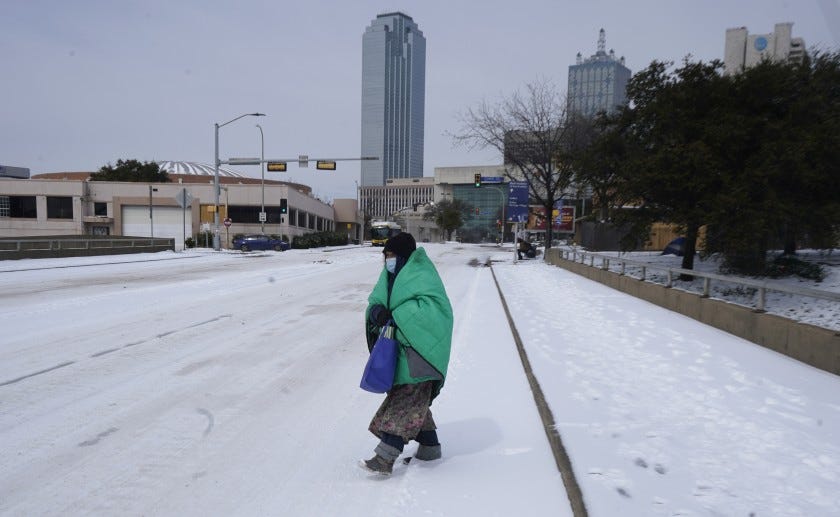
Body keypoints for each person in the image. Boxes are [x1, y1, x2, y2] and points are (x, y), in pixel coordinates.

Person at [361, 232, 454, 475]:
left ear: (403, 256)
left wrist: (395, 318)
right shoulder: (390, 276)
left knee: (404, 402)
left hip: (420, 354)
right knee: (415, 402)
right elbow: (376, 301)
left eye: (391, 255)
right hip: (400, 352)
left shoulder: (422, 275)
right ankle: (430, 448)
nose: (387, 260)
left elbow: (432, 312)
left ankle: (384, 457)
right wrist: (376, 312)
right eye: (385, 256)